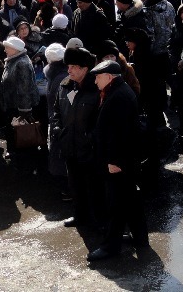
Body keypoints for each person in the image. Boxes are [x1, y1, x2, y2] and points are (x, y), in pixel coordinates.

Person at [86, 60, 148, 261]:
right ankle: (140, 238)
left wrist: (114, 161)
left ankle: (110, 247)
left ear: (109, 77)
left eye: (98, 77)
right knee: (130, 200)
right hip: (125, 160)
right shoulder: (119, 91)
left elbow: (121, 134)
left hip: (119, 162)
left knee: (116, 204)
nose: (95, 81)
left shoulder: (118, 96)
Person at [50, 47, 101, 229]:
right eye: (68, 66)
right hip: (69, 146)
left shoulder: (96, 88)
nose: (69, 70)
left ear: (85, 69)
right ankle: (80, 216)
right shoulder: (65, 85)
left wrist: (90, 138)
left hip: (89, 149)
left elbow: (101, 119)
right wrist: (58, 130)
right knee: (75, 185)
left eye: (73, 67)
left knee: (93, 187)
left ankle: (98, 221)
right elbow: (56, 111)